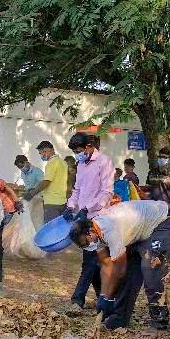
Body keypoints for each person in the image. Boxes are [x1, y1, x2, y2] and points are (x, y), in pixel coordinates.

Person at [67, 200, 170, 332]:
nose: (88, 246)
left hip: (164, 221)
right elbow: (106, 266)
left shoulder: (110, 229)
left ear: (90, 232)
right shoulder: (96, 233)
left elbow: (118, 270)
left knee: (151, 267)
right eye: (83, 246)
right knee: (130, 271)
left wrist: (109, 298)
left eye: (86, 243)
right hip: (141, 231)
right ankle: (119, 318)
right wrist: (103, 296)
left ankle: (160, 323)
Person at [64, 132, 115, 316]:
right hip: (83, 217)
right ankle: (107, 299)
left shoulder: (104, 162)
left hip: (100, 218)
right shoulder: (81, 164)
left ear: (88, 147)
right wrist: (70, 206)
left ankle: (77, 301)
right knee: (93, 261)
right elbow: (77, 189)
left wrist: (88, 207)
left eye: (79, 151)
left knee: (90, 261)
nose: (78, 154)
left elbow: (107, 192)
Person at [24, 141, 70, 222]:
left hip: (52, 203)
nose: (42, 156)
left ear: (46, 150)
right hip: (62, 201)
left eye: (41, 153)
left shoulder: (52, 163)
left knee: (51, 230)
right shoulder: (63, 162)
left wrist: (32, 193)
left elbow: (46, 182)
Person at [146, 147, 170, 213]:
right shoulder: (152, 172)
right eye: (160, 157)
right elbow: (147, 187)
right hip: (154, 207)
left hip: (169, 208)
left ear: (169, 159)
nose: (161, 159)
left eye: (164, 157)